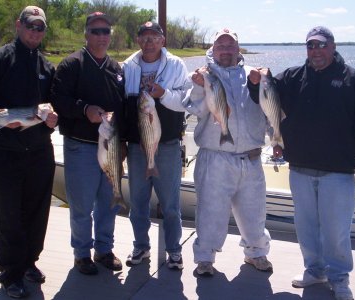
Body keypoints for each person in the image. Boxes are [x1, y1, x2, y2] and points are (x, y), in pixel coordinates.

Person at [249, 26, 355, 300]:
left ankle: (339, 278)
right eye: (311, 46)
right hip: (300, 167)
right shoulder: (293, 77)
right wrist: (255, 81)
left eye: (321, 45)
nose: (316, 51)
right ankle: (314, 270)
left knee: (336, 231)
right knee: (306, 226)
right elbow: (263, 97)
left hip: (339, 170)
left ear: (333, 46)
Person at [162, 28, 273, 276]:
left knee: (254, 213)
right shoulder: (203, 76)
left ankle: (257, 253)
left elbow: (269, 110)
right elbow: (194, 109)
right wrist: (200, 87)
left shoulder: (252, 75)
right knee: (211, 213)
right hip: (215, 159)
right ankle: (205, 259)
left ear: (238, 48)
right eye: (220, 46)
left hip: (252, 158)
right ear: (212, 50)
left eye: (230, 45)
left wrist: (276, 134)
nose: (225, 50)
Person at [0, 6, 58, 298]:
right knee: (8, 215)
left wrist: (54, 119)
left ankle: (29, 262)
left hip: (40, 152)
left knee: (36, 212)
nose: (35, 32)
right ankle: (10, 274)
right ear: (19, 25)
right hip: (5, 153)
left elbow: (54, 106)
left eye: (40, 28)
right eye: (30, 26)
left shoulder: (47, 67)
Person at [51, 12, 125, 275]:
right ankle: (81, 254)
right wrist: (84, 110)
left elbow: (122, 108)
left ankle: (104, 249)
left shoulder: (116, 69)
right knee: (81, 205)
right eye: (96, 31)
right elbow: (58, 99)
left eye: (106, 31)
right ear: (86, 34)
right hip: (80, 147)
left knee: (109, 202)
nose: (102, 36)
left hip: (112, 147)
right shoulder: (71, 65)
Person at [122, 21, 188, 269]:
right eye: (144, 37)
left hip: (168, 145)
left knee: (170, 204)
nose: (149, 42)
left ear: (162, 40)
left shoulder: (176, 65)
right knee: (138, 202)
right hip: (138, 146)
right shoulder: (128, 65)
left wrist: (163, 95)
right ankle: (141, 247)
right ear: (138, 40)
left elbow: (186, 101)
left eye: (154, 37)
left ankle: (173, 250)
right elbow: (122, 104)